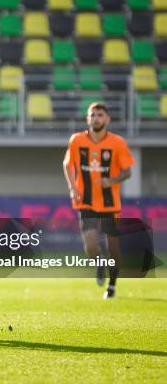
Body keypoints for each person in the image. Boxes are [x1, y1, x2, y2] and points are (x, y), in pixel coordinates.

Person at [63, 102, 135, 299]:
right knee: (91, 246)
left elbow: (127, 171)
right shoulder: (77, 140)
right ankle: (100, 263)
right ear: (88, 119)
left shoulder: (117, 142)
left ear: (107, 119)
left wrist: (111, 181)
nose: (96, 118)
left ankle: (112, 285)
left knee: (113, 246)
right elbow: (67, 164)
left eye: (100, 115)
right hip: (85, 201)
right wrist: (72, 187)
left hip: (109, 203)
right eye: (92, 115)